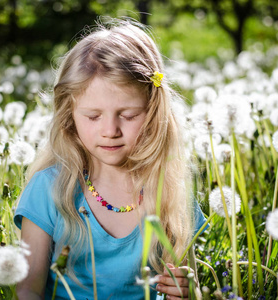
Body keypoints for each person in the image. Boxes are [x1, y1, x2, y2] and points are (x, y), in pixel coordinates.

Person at [14, 18, 208, 300]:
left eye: (128, 116)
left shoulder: (171, 193)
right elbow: (27, 290)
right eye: (93, 116)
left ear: (154, 112)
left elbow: (185, 283)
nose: (110, 131)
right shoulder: (49, 191)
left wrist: (187, 291)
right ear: (70, 116)